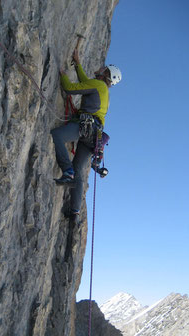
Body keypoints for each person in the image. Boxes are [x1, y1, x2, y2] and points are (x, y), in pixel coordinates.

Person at [50, 48, 121, 221]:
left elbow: (69, 88)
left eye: (104, 68)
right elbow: (85, 81)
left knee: (57, 135)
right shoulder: (102, 89)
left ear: (105, 74)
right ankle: (75, 211)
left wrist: (62, 74)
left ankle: (67, 172)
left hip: (85, 128)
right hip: (93, 136)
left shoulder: (98, 85)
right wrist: (77, 64)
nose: (101, 68)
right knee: (79, 171)